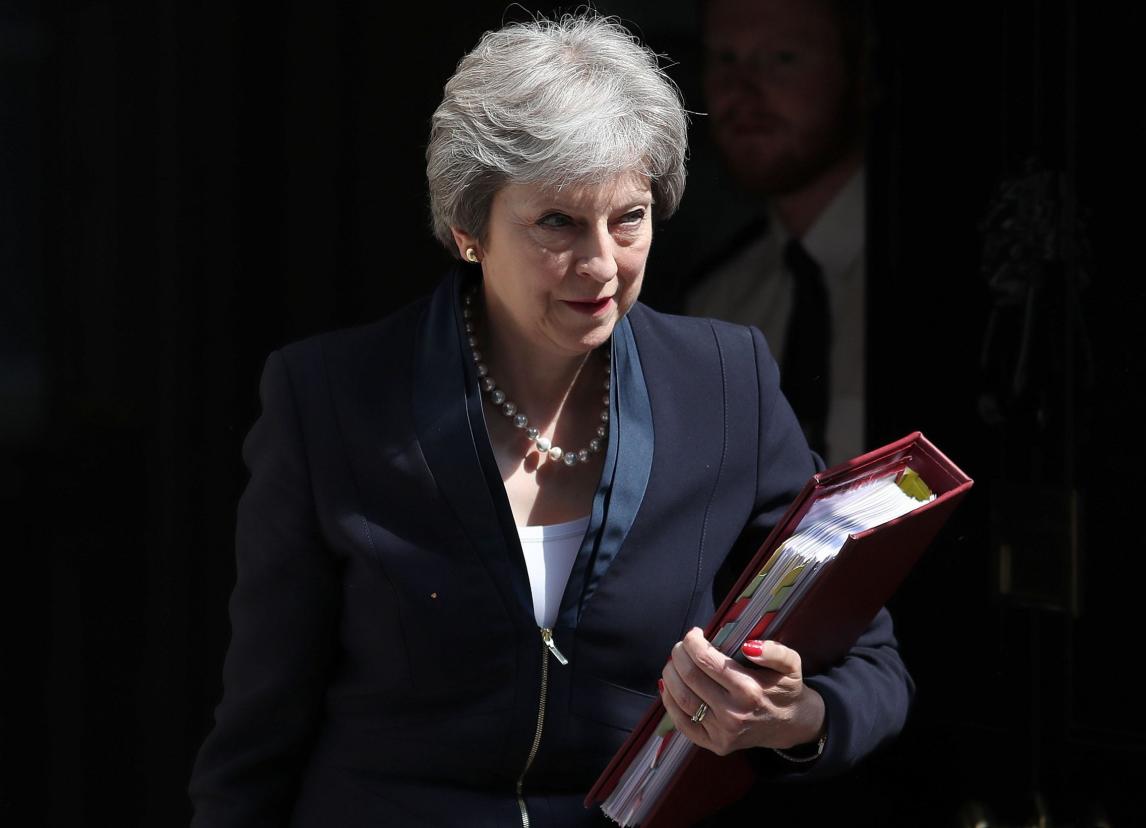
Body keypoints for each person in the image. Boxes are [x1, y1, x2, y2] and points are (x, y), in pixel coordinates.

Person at [188, 13, 911, 826]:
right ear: (469, 229)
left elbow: (873, 666)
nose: (601, 263)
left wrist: (796, 719)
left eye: (628, 217)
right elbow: (259, 729)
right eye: (558, 223)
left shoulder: (723, 382)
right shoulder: (330, 397)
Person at [683, 0, 868, 465]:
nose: (741, 89)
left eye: (782, 57)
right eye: (724, 58)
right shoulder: (718, 306)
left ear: (858, 70)